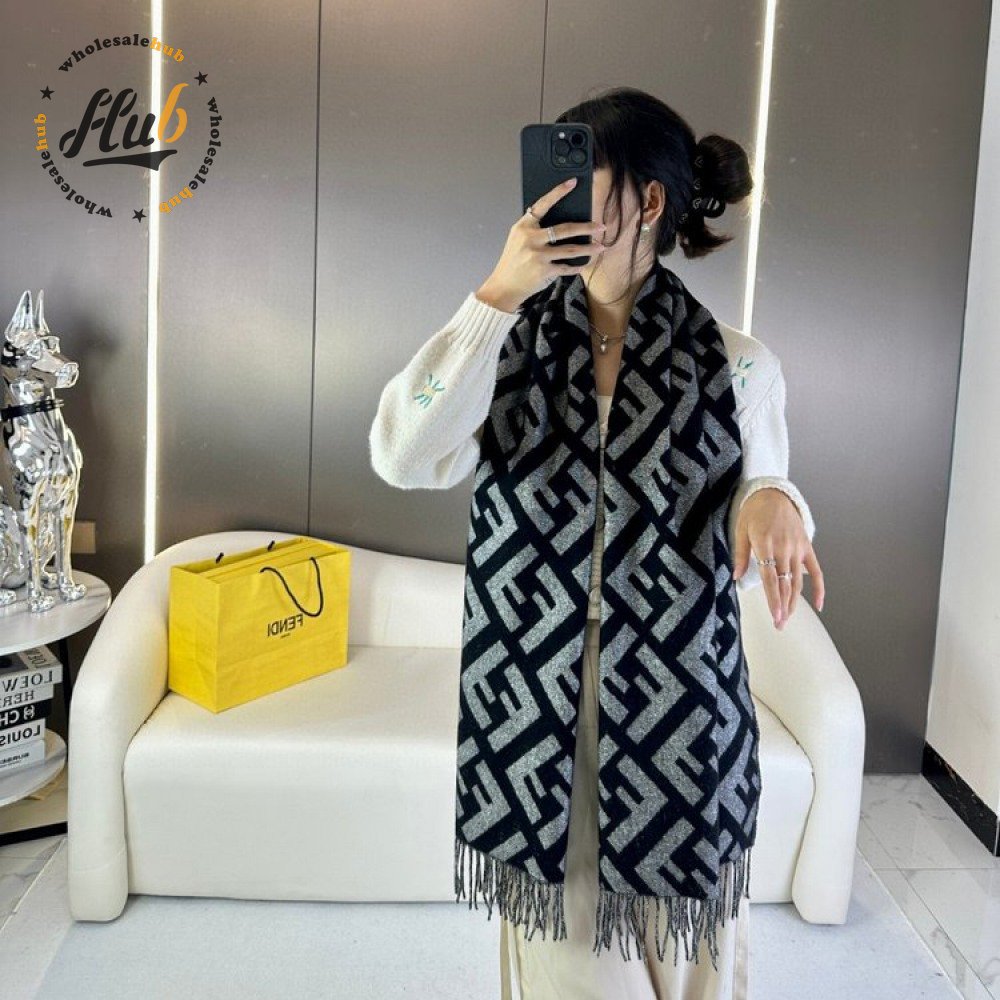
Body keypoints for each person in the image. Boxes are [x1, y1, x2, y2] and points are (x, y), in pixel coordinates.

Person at [370, 86, 823, 1000]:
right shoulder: (504, 346)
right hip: (537, 710)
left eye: (584, 174)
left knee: (693, 970)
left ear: (649, 201)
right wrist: (498, 294)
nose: (556, 197)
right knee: (570, 974)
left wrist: (777, 501)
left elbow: (761, 498)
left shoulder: (738, 364)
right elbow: (405, 455)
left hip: (680, 716)